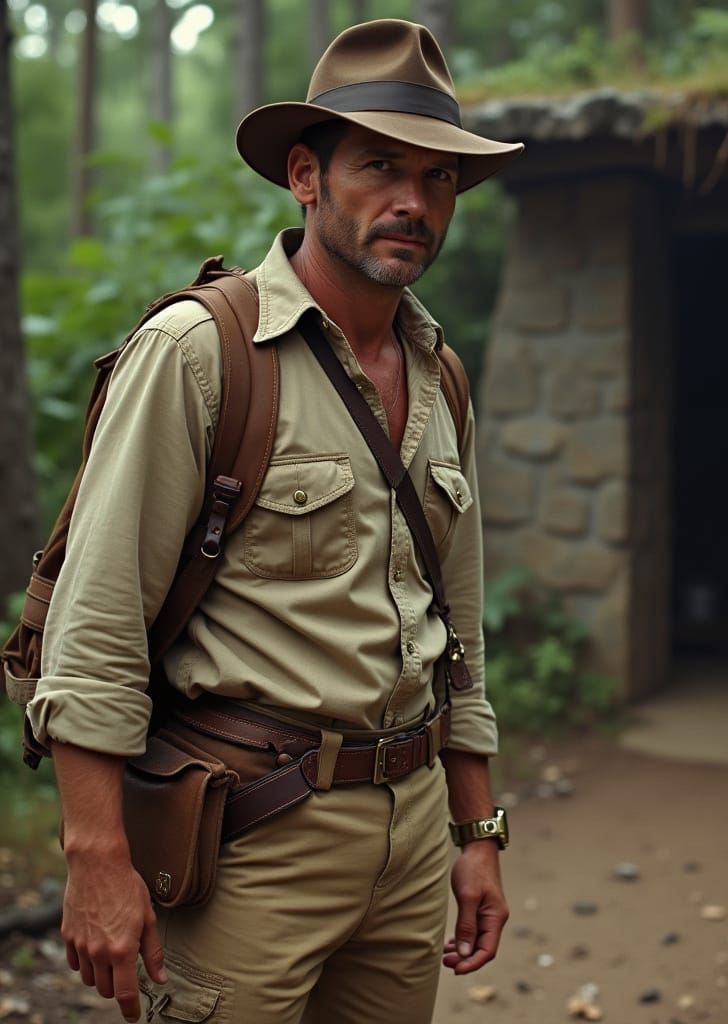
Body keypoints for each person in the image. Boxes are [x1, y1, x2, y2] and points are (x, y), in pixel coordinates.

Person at [25, 20, 523, 1024]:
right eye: (380, 167)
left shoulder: (441, 375)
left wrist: (477, 830)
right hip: (251, 840)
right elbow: (97, 624)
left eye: (437, 178)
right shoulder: (203, 352)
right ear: (305, 175)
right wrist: (97, 857)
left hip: (411, 836)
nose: (413, 202)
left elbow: (456, 635)